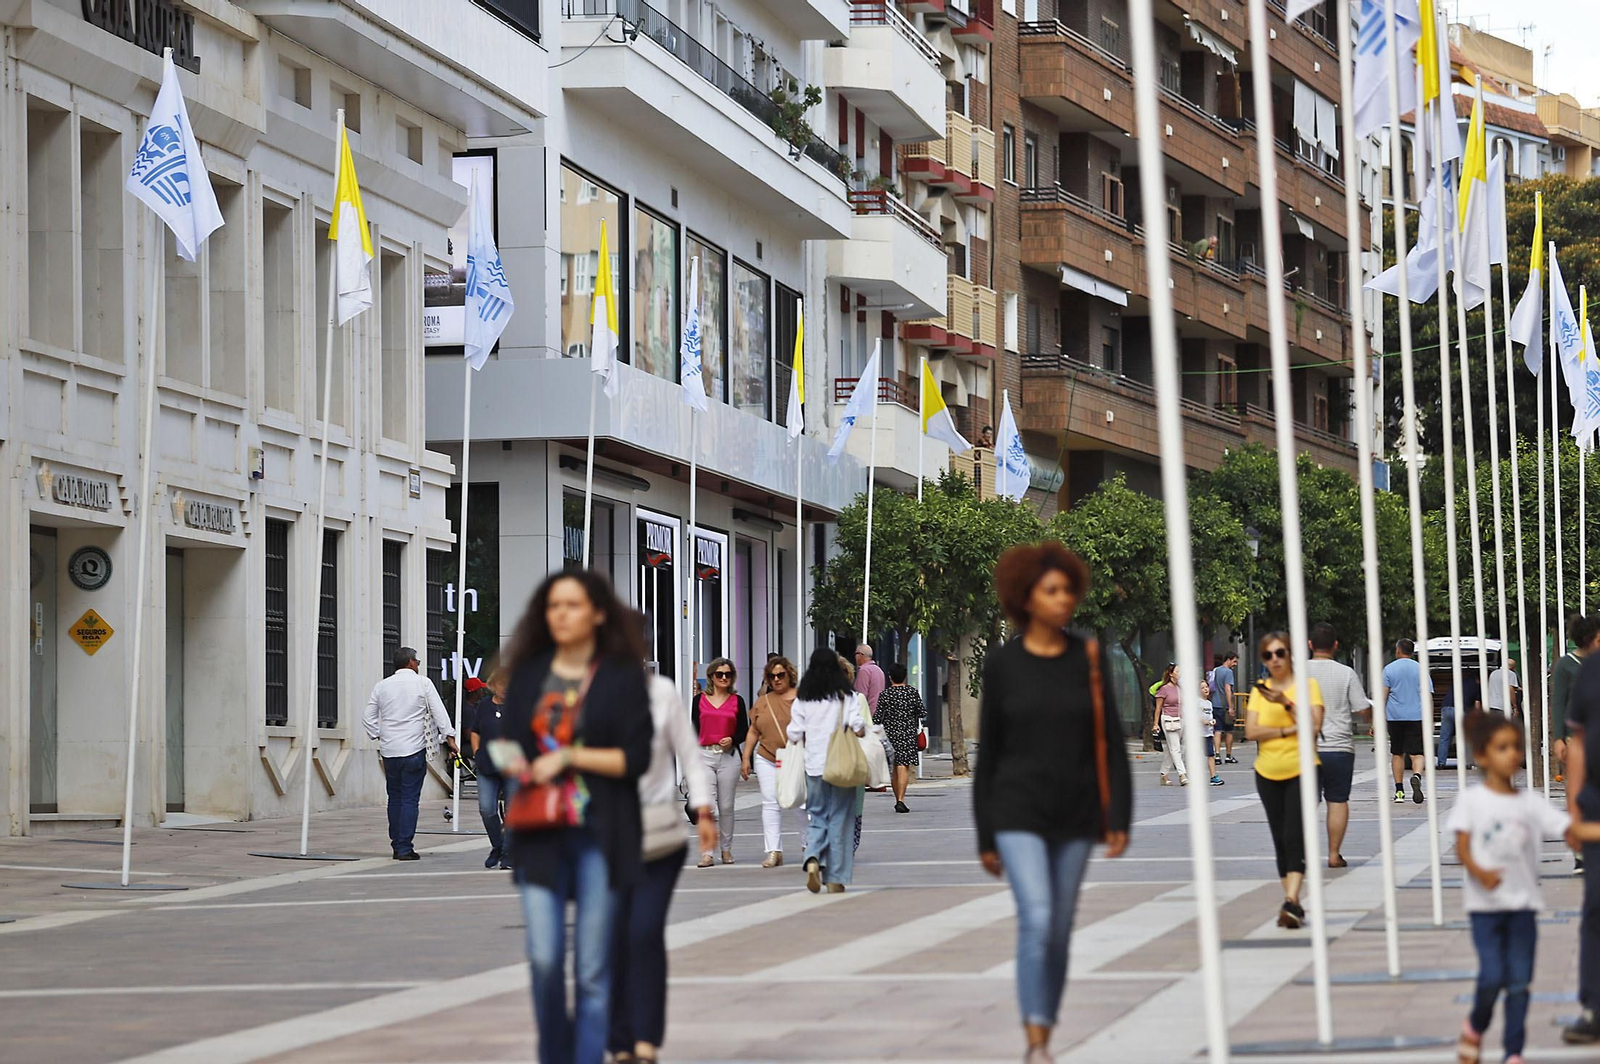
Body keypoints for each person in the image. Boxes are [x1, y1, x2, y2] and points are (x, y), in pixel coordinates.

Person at [975, 542, 1132, 1064]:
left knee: (1061, 928)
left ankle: (1045, 1020)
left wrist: (1119, 817)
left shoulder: (1087, 657)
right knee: (1037, 917)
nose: (1064, 599)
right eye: (1051, 591)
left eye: (1068, 590)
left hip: (1076, 812)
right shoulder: (1003, 665)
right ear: (1026, 598)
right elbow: (990, 753)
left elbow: (1110, 741)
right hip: (1016, 810)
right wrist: (986, 834)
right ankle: (1036, 1041)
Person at [499, 570, 653, 1064]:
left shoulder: (621, 677)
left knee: (591, 969)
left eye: (573, 605)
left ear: (598, 614)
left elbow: (635, 759)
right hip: (539, 833)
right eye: (553, 606)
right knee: (544, 959)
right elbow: (510, 745)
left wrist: (568, 757)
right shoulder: (529, 674)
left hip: (601, 835)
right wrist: (513, 763)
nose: (561, 614)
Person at [1449, 711, 1573, 1064]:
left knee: (1519, 982)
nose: (1512, 754)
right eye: (1502, 748)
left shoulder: (1530, 802)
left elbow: (1568, 828)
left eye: (1516, 747)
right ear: (1483, 755)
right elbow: (1462, 847)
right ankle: (1475, 1026)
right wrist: (1481, 872)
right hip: (1485, 909)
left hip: (1523, 907)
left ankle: (1513, 1053)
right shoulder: (1472, 800)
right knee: (1492, 977)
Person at [608, 672, 716, 1064]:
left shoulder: (661, 693)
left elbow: (690, 754)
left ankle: (646, 1037)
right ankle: (620, 1040)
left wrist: (703, 809)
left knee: (645, 931)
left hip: (658, 837)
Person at [1244, 631, 1325, 929]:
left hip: (1302, 769)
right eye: (1268, 655)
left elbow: (1314, 726)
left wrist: (1287, 704)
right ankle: (1293, 903)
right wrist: (1287, 730)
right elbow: (1251, 731)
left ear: (1290, 654)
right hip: (1266, 772)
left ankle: (1290, 900)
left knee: (1294, 834)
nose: (1275, 660)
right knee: (1279, 837)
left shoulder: (1307, 686)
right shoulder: (1259, 691)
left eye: (1280, 653)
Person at [362, 646, 457, 861]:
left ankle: (397, 844)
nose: (418, 665)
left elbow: (368, 717)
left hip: (390, 750)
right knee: (409, 799)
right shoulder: (423, 683)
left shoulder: (382, 686)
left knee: (394, 797)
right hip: (413, 749)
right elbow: (439, 713)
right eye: (417, 662)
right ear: (411, 662)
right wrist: (449, 737)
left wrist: (379, 734)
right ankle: (404, 847)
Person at [788, 648, 867, 893]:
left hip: (814, 766)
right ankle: (835, 877)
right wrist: (861, 731)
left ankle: (812, 856)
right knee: (840, 819)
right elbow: (858, 725)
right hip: (842, 766)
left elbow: (793, 733)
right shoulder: (846, 696)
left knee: (818, 815)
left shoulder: (803, 698)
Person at [1305, 622, 1371, 869]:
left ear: (1310, 644)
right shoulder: (1346, 673)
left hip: (1305, 748)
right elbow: (1362, 708)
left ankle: (1302, 853)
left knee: (1305, 802)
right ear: (1335, 645)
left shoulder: (1297, 672)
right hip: (1340, 747)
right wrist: (1372, 717)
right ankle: (1334, 854)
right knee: (1337, 800)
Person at [1562, 627, 1600, 1043]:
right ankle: (1596, 1008)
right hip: (1597, 807)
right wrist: (1573, 812)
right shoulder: (1592, 670)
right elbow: (1579, 742)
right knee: (1597, 906)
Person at [741, 656, 801, 867]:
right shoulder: (763, 701)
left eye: (780, 675)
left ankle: (809, 846)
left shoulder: (802, 700)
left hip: (795, 758)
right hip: (766, 757)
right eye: (772, 676)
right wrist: (746, 757)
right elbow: (753, 730)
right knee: (770, 803)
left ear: (789, 675)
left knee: (800, 803)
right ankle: (774, 851)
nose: (776, 679)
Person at [691, 657, 748, 867]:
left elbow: (744, 729)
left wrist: (733, 739)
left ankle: (726, 849)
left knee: (726, 805)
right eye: (719, 674)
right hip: (704, 754)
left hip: (728, 756)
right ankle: (707, 852)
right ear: (711, 677)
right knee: (707, 805)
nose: (724, 678)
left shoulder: (737, 701)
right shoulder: (699, 700)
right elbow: (693, 728)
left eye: (728, 674)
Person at [470, 666, 514, 870]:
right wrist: (477, 752)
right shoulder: (484, 706)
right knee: (487, 809)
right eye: (501, 684)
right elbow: (475, 731)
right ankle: (498, 846)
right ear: (493, 685)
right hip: (487, 763)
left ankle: (508, 854)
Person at [1383, 639, 1433, 804]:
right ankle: (1416, 775)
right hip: (1416, 717)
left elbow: (1383, 696)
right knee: (1417, 753)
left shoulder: (1389, 669)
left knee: (1397, 753)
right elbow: (1428, 696)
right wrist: (1430, 719)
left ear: (1398, 650)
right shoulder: (1421, 670)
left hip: (1395, 717)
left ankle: (1399, 791)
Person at [1554, 615, 1600, 787]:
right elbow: (1558, 703)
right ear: (1588, 640)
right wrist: (1558, 738)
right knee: (1580, 785)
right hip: (1576, 737)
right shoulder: (1565, 664)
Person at [875, 662, 927, 812]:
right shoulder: (912, 692)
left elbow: (877, 717)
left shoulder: (885, 695)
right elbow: (922, 712)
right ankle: (901, 800)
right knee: (903, 765)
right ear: (905, 676)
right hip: (908, 733)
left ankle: (898, 799)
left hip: (890, 734)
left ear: (890, 677)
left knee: (894, 767)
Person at [1438, 671, 1483, 771]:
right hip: (1460, 710)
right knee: (1465, 737)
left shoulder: (1460, 682)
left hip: (1446, 708)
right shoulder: (1477, 686)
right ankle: (1468, 763)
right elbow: (1477, 705)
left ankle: (1441, 763)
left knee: (1444, 738)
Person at [1154, 664, 1187, 787]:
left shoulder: (1180, 688)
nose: (1180, 673)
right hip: (1169, 719)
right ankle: (1182, 775)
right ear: (1171, 674)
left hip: (1181, 719)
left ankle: (1164, 774)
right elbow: (1158, 708)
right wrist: (1155, 724)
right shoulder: (1164, 689)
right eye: (1177, 671)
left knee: (1171, 748)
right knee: (1175, 748)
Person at [1212, 652, 1239, 764]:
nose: (1235, 664)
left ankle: (1217, 755)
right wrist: (1231, 707)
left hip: (1215, 703)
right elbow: (1227, 689)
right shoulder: (1228, 672)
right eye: (1234, 661)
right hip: (1225, 706)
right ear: (1228, 660)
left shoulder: (1216, 670)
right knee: (1229, 731)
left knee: (1217, 730)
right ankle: (1228, 755)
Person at [1197, 679, 1222, 786]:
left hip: (1208, 733)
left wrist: (1212, 721)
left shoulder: (1209, 703)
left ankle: (1213, 776)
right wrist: (1203, 721)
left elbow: (1210, 716)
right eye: (1202, 688)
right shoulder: (1196, 701)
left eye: (1206, 687)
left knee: (1210, 755)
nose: (1205, 689)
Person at [854, 643, 886, 718]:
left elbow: (861, 696)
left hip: (867, 715)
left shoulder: (864, 671)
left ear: (860, 655)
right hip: (879, 715)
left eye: (856, 654)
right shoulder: (879, 670)